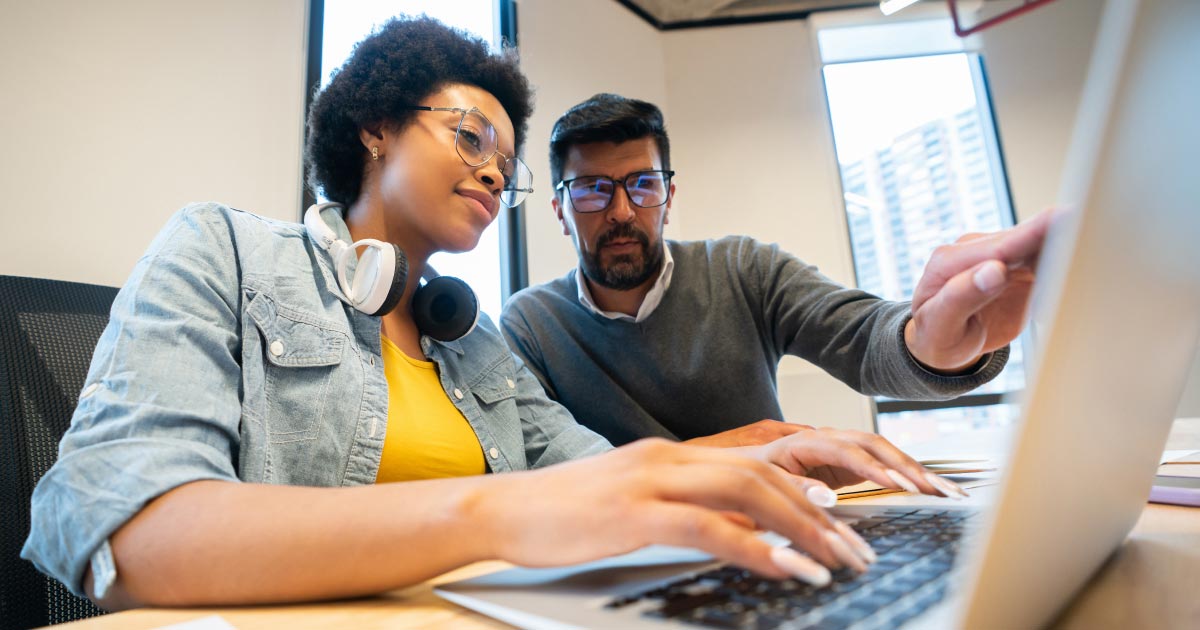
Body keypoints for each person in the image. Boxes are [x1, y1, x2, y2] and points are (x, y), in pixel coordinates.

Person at [21, 18, 959, 611]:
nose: (491, 171)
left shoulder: (472, 340)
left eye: (505, 167)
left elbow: (596, 474)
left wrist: (761, 447)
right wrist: (501, 512)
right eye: (470, 136)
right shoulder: (222, 249)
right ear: (377, 123)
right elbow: (132, 533)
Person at [500, 93, 1046, 448]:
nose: (622, 211)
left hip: (776, 534)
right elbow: (552, 466)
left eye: (643, 184)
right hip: (620, 559)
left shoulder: (743, 269)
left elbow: (862, 338)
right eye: (594, 190)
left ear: (668, 197)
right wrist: (743, 445)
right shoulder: (531, 324)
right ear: (561, 212)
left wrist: (930, 346)